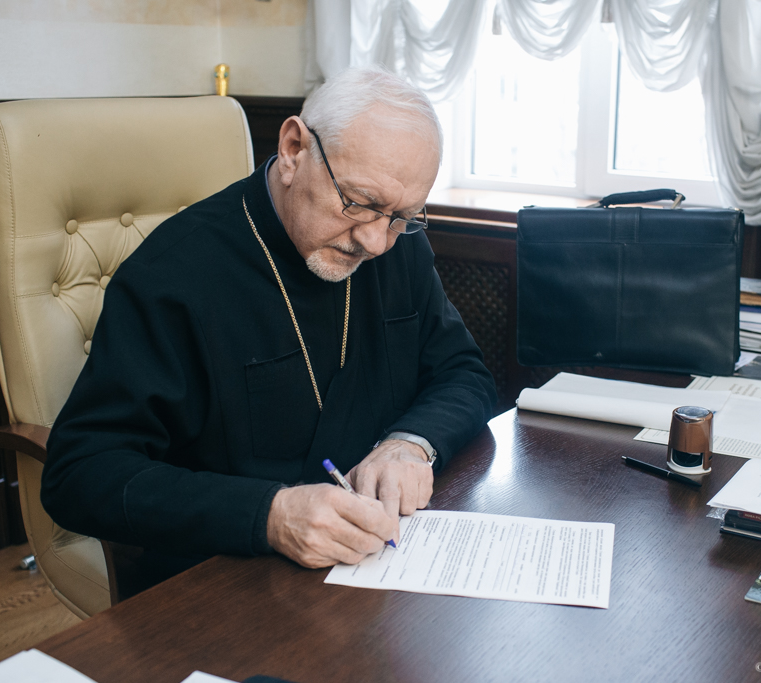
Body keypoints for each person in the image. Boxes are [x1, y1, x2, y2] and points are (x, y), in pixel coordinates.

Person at [40, 68, 497, 587]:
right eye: (358, 203)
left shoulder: (397, 243)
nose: (375, 243)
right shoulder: (171, 277)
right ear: (293, 149)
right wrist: (271, 515)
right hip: (225, 579)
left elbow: (463, 373)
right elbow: (80, 474)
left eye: (403, 216)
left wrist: (409, 444)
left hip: (378, 562)